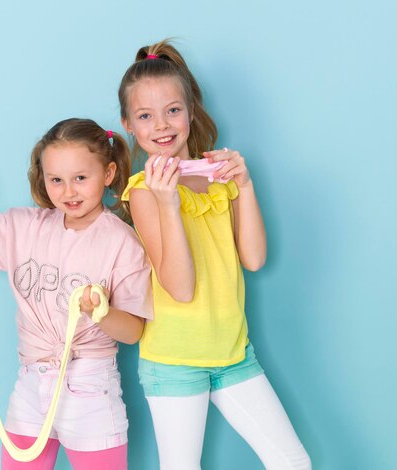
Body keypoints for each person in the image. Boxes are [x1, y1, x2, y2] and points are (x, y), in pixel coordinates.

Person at [119, 40, 311, 469]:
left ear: (191, 111)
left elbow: (255, 258)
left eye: (172, 110)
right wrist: (169, 205)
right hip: (174, 362)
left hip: (234, 354)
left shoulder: (219, 181)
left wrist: (244, 186)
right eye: (145, 116)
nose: (162, 125)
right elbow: (180, 288)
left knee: (293, 462)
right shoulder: (144, 194)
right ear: (129, 124)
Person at [0, 118, 153, 470]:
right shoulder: (26, 227)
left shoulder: (122, 243)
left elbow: (135, 331)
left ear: (108, 174)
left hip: (90, 387)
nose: (69, 191)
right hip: (32, 384)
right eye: (56, 180)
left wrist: (102, 313)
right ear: (43, 178)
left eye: (81, 177)